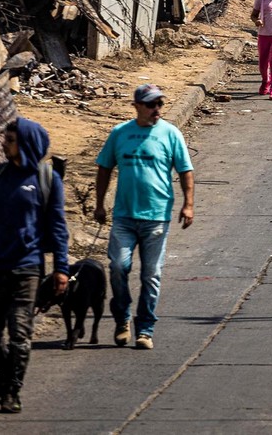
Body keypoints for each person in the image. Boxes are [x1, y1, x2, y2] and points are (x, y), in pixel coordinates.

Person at [0, 117, 70, 413]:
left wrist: (62, 268)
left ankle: (12, 390)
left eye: (9, 140)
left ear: (26, 144)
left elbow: (58, 227)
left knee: (20, 333)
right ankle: (4, 372)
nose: (3, 144)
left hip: (28, 268)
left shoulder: (47, 180)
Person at [93, 85, 195, 352]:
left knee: (151, 275)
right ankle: (123, 316)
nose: (156, 110)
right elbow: (104, 168)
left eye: (159, 104)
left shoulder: (170, 134)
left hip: (156, 217)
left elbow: (185, 171)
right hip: (124, 216)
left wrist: (188, 205)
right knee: (117, 267)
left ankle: (145, 329)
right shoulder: (120, 133)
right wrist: (99, 204)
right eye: (151, 105)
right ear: (137, 105)